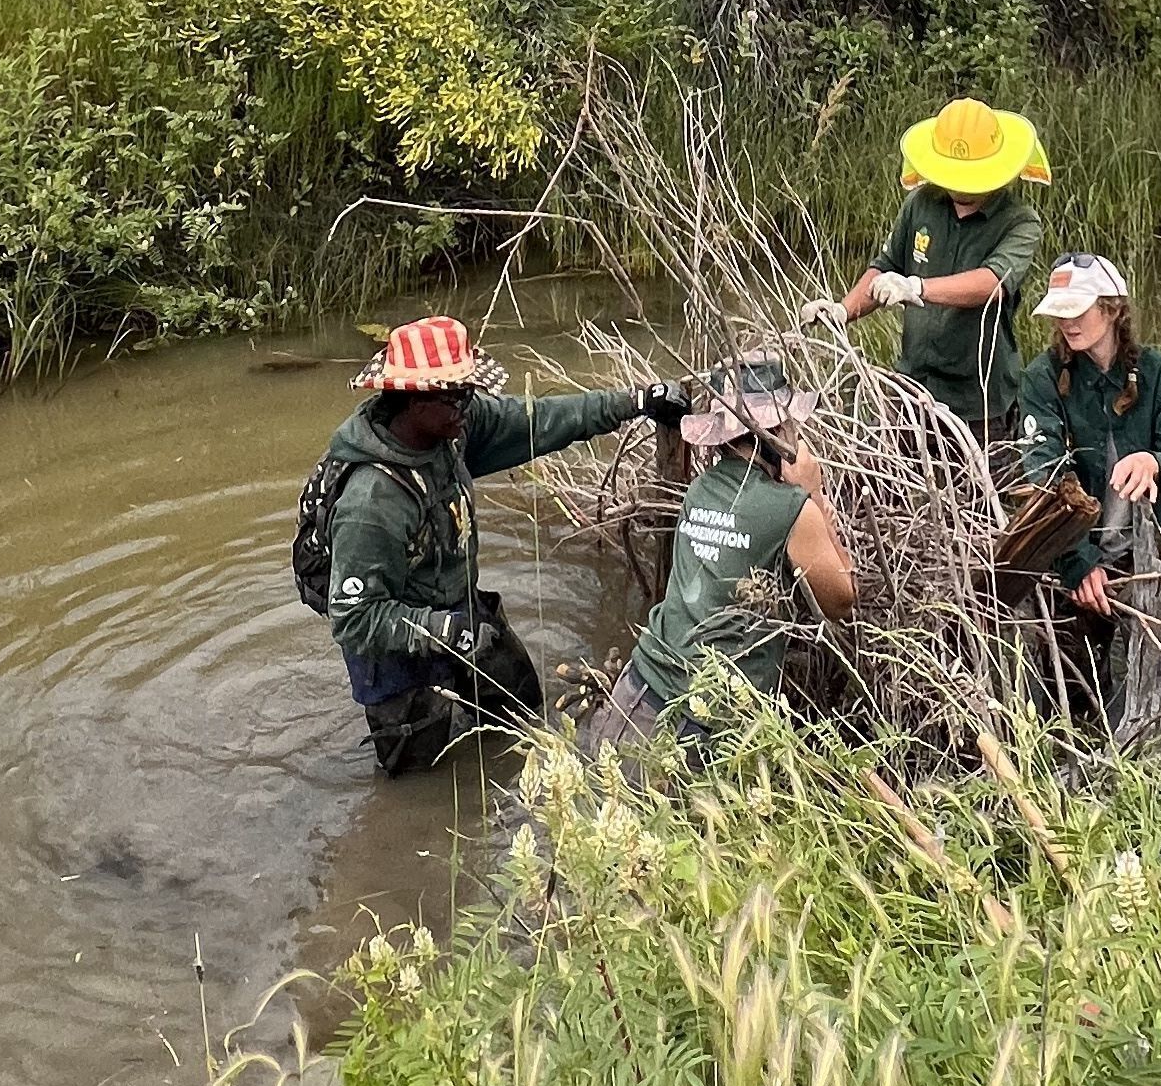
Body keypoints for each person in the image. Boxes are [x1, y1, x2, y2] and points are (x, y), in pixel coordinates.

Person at [317, 316, 684, 776]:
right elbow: (353, 617)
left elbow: (543, 420)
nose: (468, 404)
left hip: (460, 609)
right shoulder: (371, 502)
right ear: (413, 400)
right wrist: (445, 633)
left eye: (469, 391)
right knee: (420, 779)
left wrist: (637, 401)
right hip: (397, 651)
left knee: (521, 712)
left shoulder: (452, 427)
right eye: (457, 395)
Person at [582, 358, 858, 756]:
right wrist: (813, 493)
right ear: (777, 431)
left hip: (635, 688)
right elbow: (842, 600)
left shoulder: (699, 489)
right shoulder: (792, 509)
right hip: (699, 719)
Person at [1015, 255, 1161, 710]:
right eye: (1059, 312)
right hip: (1071, 556)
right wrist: (1077, 562)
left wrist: (1155, 462)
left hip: (1152, 555)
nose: (1067, 322)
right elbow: (1042, 473)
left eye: (1077, 310)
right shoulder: (1042, 378)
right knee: (1071, 690)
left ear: (1113, 308)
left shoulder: (1159, 374)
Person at [830, 95, 1050, 462]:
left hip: (979, 403)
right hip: (913, 389)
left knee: (977, 509)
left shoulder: (1019, 221)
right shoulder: (921, 204)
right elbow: (886, 264)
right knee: (892, 495)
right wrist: (843, 311)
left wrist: (917, 287)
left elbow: (991, 284)